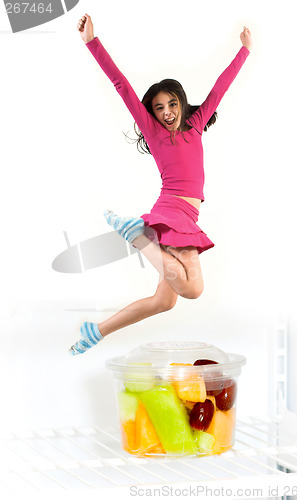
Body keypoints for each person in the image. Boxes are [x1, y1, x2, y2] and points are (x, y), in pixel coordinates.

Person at [69, 13, 252, 355]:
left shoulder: (196, 124)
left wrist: (244, 51)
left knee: (163, 302)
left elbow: (219, 89)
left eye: (171, 104)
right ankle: (136, 235)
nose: (166, 111)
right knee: (193, 290)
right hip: (173, 212)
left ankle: (95, 331)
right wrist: (92, 41)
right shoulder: (154, 133)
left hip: (185, 216)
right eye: (158, 107)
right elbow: (121, 85)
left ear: (181, 103)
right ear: (151, 114)